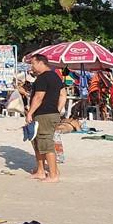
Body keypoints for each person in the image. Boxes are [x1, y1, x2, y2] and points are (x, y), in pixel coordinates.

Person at [27, 53, 65, 183]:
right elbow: (63, 95)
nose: (31, 66)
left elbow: (38, 97)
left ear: (40, 62)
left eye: (33, 63)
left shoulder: (43, 78)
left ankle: (53, 175)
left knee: (45, 143)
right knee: (37, 142)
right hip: (50, 113)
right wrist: (57, 110)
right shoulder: (55, 76)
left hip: (44, 114)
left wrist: (29, 113)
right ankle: (41, 171)